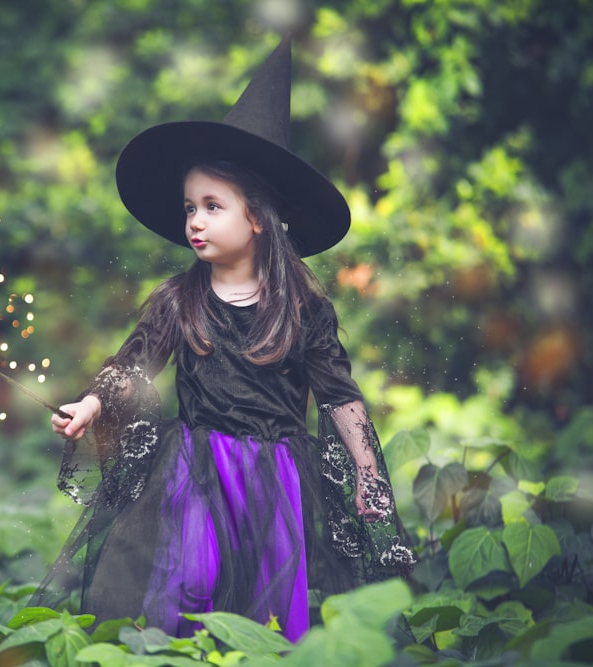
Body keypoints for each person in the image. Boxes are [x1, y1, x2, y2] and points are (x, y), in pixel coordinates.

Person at [31, 37, 415, 642]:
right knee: (189, 578)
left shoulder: (304, 309)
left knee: (268, 596)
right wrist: (91, 403)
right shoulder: (178, 299)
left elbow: (341, 398)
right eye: (190, 207)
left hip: (278, 474)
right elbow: (135, 363)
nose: (195, 221)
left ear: (257, 217)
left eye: (213, 206)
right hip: (193, 468)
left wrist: (367, 474)